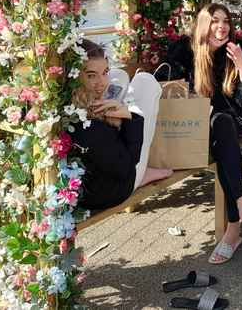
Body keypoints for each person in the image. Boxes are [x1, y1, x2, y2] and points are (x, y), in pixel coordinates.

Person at [163, 3, 242, 264]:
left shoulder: (236, 49)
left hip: (231, 121)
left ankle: (235, 227)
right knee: (221, 133)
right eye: (215, 21)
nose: (222, 26)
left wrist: (241, 65)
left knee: (224, 127)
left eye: (226, 21)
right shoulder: (185, 49)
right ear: (204, 24)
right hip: (191, 124)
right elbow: (171, 90)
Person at [70, 39, 173, 210]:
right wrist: (129, 116)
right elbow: (127, 166)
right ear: (75, 76)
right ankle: (144, 174)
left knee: (119, 75)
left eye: (104, 72)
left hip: (94, 177)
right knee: (145, 81)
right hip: (113, 190)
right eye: (91, 75)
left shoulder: (67, 108)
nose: (101, 82)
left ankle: (116, 101)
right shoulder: (93, 129)